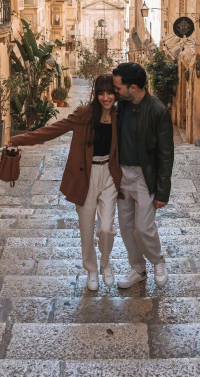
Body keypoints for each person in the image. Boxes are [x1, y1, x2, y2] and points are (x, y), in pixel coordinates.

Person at [9, 74, 121, 292]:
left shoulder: (121, 116)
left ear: (116, 93)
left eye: (110, 93)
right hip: (85, 177)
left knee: (107, 229)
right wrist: (19, 139)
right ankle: (91, 269)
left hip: (109, 175)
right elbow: (53, 130)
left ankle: (106, 264)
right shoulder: (84, 115)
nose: (106, 98)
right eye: (101, 93)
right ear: (96, 94)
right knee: (86, 229)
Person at [112, 61, 174, 289]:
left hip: (144, 178)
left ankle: (158, 261)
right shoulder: (120, 107)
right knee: (127, 228)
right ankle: (137, 268)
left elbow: (166, 154)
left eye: (119, 87)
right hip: (121, 176)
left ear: (133, 87)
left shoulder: (158, 111)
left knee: (144, 228)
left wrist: (163, 192)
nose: (115, 91)